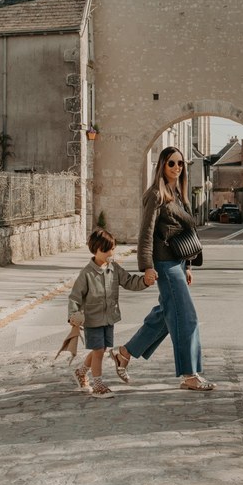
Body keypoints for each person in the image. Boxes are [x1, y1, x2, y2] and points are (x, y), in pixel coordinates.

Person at [109, 146, 216, 391]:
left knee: (166, 316)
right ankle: (189, 375)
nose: (176, 168)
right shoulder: (156, 194)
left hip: (177, 262)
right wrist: (146, 267)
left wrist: (188, 266)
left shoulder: (177, 193)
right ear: (162, 165)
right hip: (164, 265)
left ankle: (124, 353)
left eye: (180, 164)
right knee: (186, 318)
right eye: (171, 163)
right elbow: (146, 234)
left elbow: (184, 233)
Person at [69, 228, 153, 399]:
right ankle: (98, 384)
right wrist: (73, 315)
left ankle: (81, 372)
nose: (110, 252)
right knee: (99, 351)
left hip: (109, 317)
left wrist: (144, 281)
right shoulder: (86, 274)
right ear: (95, 250)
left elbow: (129, 281)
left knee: (101, 349)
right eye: (106, 249)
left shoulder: (114, 268)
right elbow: (75, 296)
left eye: (113, 248)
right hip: (92, 319)